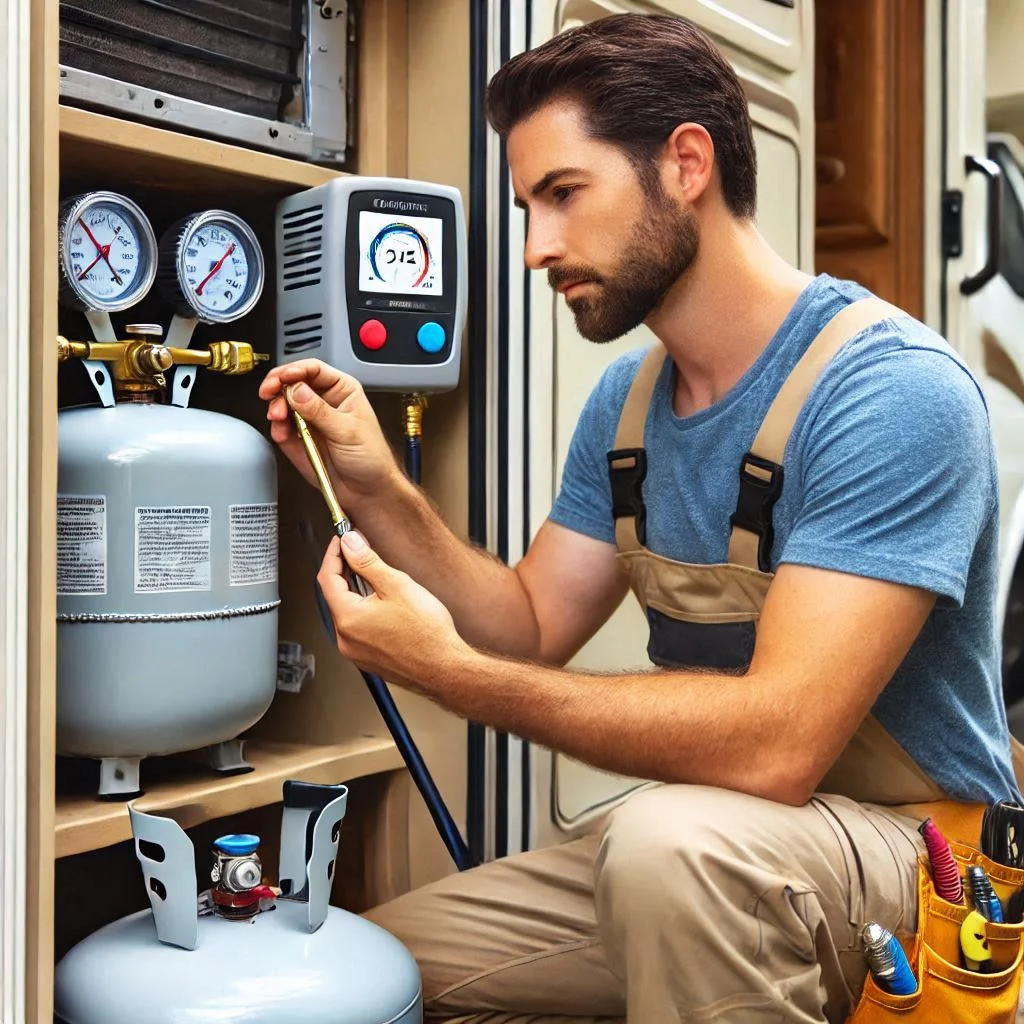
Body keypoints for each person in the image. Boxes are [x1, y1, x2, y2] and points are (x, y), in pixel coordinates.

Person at [260, 13, 1022, 1023]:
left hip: (917, 854)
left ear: (685, 163)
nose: (536, 247)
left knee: (672, 848)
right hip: (729, 838)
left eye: (563, 195)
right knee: (381, 973)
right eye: (528, 206)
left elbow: (778, 742)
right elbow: (528, 621)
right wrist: (376, 492)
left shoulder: (888, 392)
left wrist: (447, 673)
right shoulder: (627, 404)